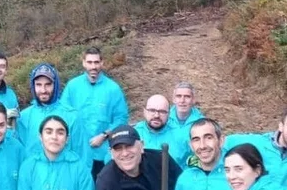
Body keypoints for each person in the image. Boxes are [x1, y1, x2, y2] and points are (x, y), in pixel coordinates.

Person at [61, 47, 130, 178]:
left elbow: (121, 118)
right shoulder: (72, 86)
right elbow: (63, 116)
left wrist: (104, 135)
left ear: (102, 63)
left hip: (103, 154)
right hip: (76, 152)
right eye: (90, 62)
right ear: (83, 63)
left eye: (96, 62)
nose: (93, 66)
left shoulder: (113, 89)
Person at [16, 63, 82, 158]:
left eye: (48, 84)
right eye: (39, 85)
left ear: (55, 85)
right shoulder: (23, 117)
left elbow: (82, 155)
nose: (43, 90)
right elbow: (19, 154)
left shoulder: (71, 115)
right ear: (33, 86)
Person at [134, 94, 190, 167]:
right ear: (144, 111)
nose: (156, 115)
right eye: (152, 110)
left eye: (162, 112)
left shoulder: (181, 135)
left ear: (169, 114)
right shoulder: (134, 134)